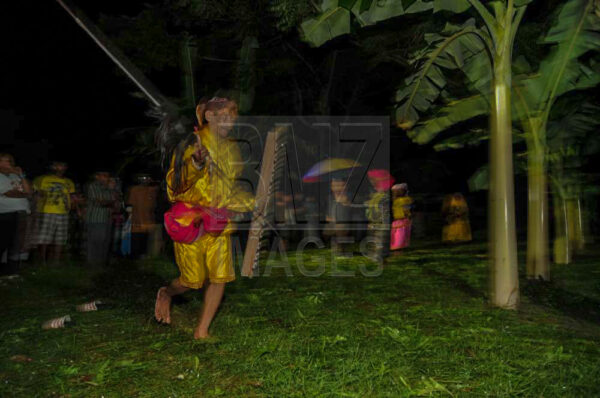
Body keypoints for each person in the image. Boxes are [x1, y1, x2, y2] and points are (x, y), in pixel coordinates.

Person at [154, 96, 254, 339]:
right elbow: (173, 187)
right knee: (191, 281)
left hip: (219, 224)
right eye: (226, 115)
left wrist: (253, 202)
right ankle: (166, 293)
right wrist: (196, 165)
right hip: (192, 223)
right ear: (209, 116)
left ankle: (202, 330)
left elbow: (231, 189)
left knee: (220, 277)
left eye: (233, 116)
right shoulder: (192, 144)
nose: (232, 121)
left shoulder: (232, 148)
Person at [32, 161, 76, 265]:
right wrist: (34, 210)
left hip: (63, 212)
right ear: (52, 166)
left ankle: (56, 262)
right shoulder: (41, 179)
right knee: (44, 237)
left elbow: (72, 197)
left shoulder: (69, 181)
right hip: (46, 211)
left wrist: (75, 207)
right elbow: (36, 195)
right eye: (58, 165)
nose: (61, 167)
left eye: (63, 165)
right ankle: (42, 261)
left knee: (60, 238)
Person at [0, 153, 32, 274]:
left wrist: (21, 175)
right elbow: (9, 193)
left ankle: (12, 271)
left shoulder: (15, 176)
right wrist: (25, 195)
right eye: (1, 161)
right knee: (3, 241)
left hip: (21, 212)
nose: (5, 164)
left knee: (17, 242)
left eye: (8, 161)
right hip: (5, 212)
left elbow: (28, 190)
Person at [85, 171, 115, 266]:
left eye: (107, 176)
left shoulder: (109, 188)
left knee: (105, 241)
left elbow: (115, 202)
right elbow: (99, 202)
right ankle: (92, 263)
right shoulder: (93, 186)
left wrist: (111, 190)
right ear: (97, 176)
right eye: (104, 176)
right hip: (96, 218)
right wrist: (109, 202)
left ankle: (101, 263)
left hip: (107, 218)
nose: (107, 178)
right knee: (95, 241)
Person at [125, 174, 158, 258]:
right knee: (136, 237)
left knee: (145, 237)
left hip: (148, 219)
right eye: (143, 178)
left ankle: (143, 254)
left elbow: (154, 204)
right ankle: (134, 256)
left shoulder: (152, 190)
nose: (145, 180)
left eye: (147, 178)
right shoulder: (135, 190)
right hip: (137, 218)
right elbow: (130, 205)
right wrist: (131, 216)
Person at [365, 169, 394, 264]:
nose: (371, 181)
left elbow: (384, 210)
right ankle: (376, 256)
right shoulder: (374, 192)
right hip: (374, 221)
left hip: (382, 222)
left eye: (373, 179)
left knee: (382, 239)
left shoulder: (385, 194)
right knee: (374, 239)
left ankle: (381, 258)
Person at [390, 183, 413, 251]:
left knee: (400, 235)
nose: (395, 193)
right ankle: (397, 247)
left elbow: (406, 209)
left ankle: (399, 247)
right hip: (396, 220)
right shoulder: (396, 200)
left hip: (403, 219)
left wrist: (408, 216)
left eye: (397, 191)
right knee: (395, 234)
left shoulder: (405, 200)